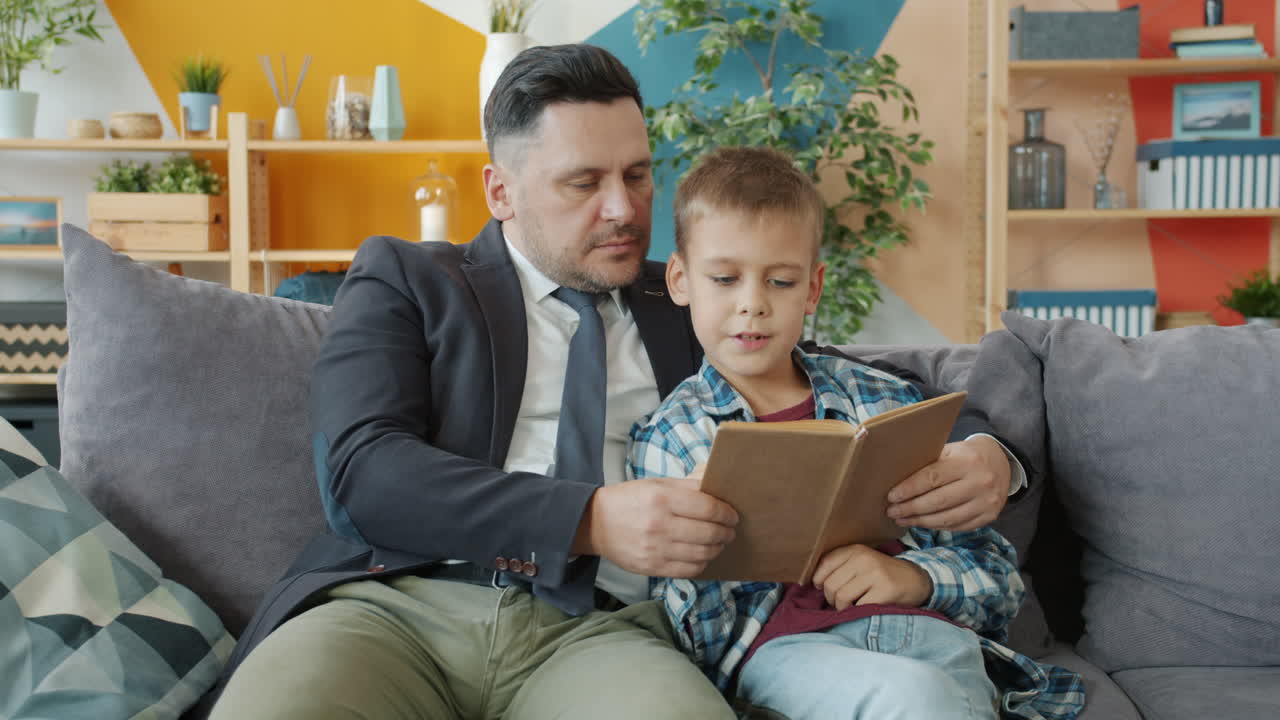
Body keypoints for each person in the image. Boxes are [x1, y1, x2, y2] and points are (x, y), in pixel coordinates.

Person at [207, 44, 1029, 720]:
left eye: (637, 176)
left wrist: (987, 450)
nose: (624, 210)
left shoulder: (691, 295)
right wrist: (589, 518)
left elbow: (863, 384)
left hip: (602, 632)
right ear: (501, 191)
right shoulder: (411, 278)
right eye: (584, 183)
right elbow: (362, 473)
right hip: (398, 610)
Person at [628, 146, 1085, 720]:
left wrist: (914, 577)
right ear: (680, 279)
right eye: (724, 278)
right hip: (788, 658)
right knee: (919, 699)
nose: (753, 305)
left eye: (781, 281)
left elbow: (998, 578)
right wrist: (696, 542)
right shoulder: (670, 440)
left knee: (941, 691)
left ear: (813, 289)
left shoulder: (883, 399)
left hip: (934, 639)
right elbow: (689, 641)